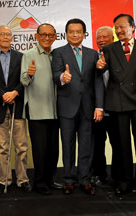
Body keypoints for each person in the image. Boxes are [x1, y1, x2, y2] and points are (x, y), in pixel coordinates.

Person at [96, 14, 136, 199]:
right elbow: (101, 72)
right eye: (117, 28)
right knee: (122, 145)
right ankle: (124, 181)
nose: (119, 31)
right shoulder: (109, 49)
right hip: (118, 103)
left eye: (123, 27)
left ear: (132, 27)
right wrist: (99, 66)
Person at [51, 18, 104, 195]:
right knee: (67, 145)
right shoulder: (58, 53)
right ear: (66, 34)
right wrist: (62, 78)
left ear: (84, 33)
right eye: (71, 31)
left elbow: (97, 81)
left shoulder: (93, 54)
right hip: (67, 107)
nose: (75, 34)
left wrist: (99, 107)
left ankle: (85, 180)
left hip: (88, 108)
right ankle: (68, 179)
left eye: (78, 31)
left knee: (86, 145)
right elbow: (55, 75)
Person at [0, 25, 31, 194]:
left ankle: (22, 179)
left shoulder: (21, 57)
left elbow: (25, 79)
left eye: (8, 34)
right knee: (1, 147)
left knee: (21, 146)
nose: (5, 37)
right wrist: (2, 95)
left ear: (12, 38)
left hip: (17, 105)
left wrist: (15, 92)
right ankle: (3, 180)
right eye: (2, 34)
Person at [20, 23, 62, 195]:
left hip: (56, 110)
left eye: (50, 35)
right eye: (43, 35)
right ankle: (39, 182)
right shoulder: (29, 55)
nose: (46, 38)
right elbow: (23, 81)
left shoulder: (57, 55)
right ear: (36, 37)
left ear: (55, 37)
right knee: (40, 150)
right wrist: (29, 74)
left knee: (53, 149)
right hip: (37, 110)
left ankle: (50, 180)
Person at [90, 26, 117, 186]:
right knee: (97, 145)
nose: (101, 40)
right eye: (98, 37)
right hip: (97, 110)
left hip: (115, 110)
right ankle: (99, 174)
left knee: (118, 144)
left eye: (105, 37)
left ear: (112, 39)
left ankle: (117, 175)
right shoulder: (92, 57)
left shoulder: (118, 57)